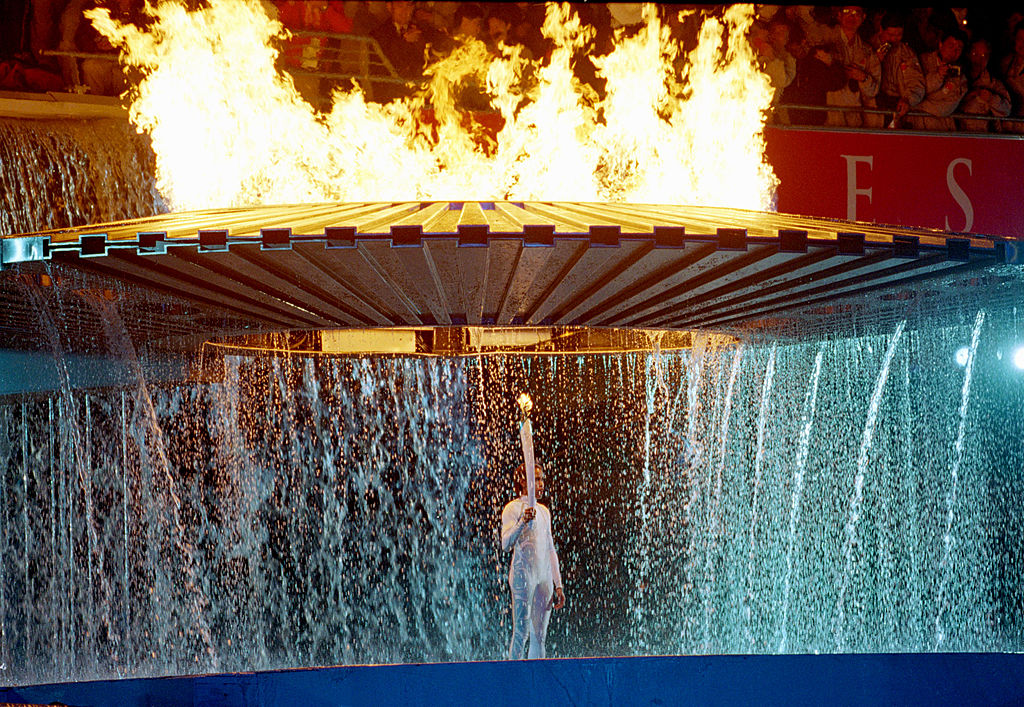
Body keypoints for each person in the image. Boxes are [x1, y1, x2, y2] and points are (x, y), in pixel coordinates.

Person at [500, 461, 565, 660]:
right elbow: (505, 543)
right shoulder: (512, 508)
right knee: (521, 633)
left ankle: (535, 682)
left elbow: (550, 548)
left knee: (539, 636)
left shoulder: (544, 511)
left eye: (542, 479)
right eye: (536, 479)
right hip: (523, 575)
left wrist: (558, 585)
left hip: (543, 576)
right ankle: (514, 679)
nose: (541, 483)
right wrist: (522, 522)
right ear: (523, 481)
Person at [910, 26, 968, 131]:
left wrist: (916, 105)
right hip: (915, 126)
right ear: (941, 44)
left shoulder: (961, 78)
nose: (954, 51)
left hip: (941, 129)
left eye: (959, 48)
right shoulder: (921, 61)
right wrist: (937, 76)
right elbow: (914, 89)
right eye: (951, 46)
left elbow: (945, 108)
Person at [959, 37, 1010, 132]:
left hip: (984, 138)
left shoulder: (993, 84)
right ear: (968, 54)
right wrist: (970, 95)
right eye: (975, 54)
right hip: (957, 137)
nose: (978, 60)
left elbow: (1006, 110)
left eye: (983, 55)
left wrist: (991, 98)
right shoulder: (956, 79)